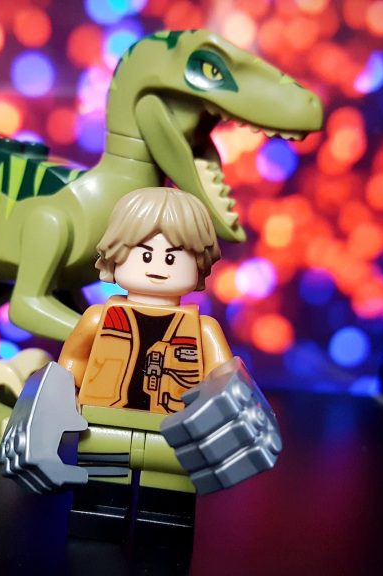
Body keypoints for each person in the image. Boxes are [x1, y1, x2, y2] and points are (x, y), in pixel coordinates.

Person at [56, 186, 233, 540]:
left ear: (198, 264)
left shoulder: (203, 330)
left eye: (172, 258)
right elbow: (73, 359)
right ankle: (97, 523)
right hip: (102, 424)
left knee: (167, 501)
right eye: (146, 254)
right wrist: (64, 396)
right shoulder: (98, 318)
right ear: (116, 254)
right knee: (101, 492)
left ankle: (163, 530)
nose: (157, 267)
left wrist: (226, 406)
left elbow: (223, 375)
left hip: (174, 430)